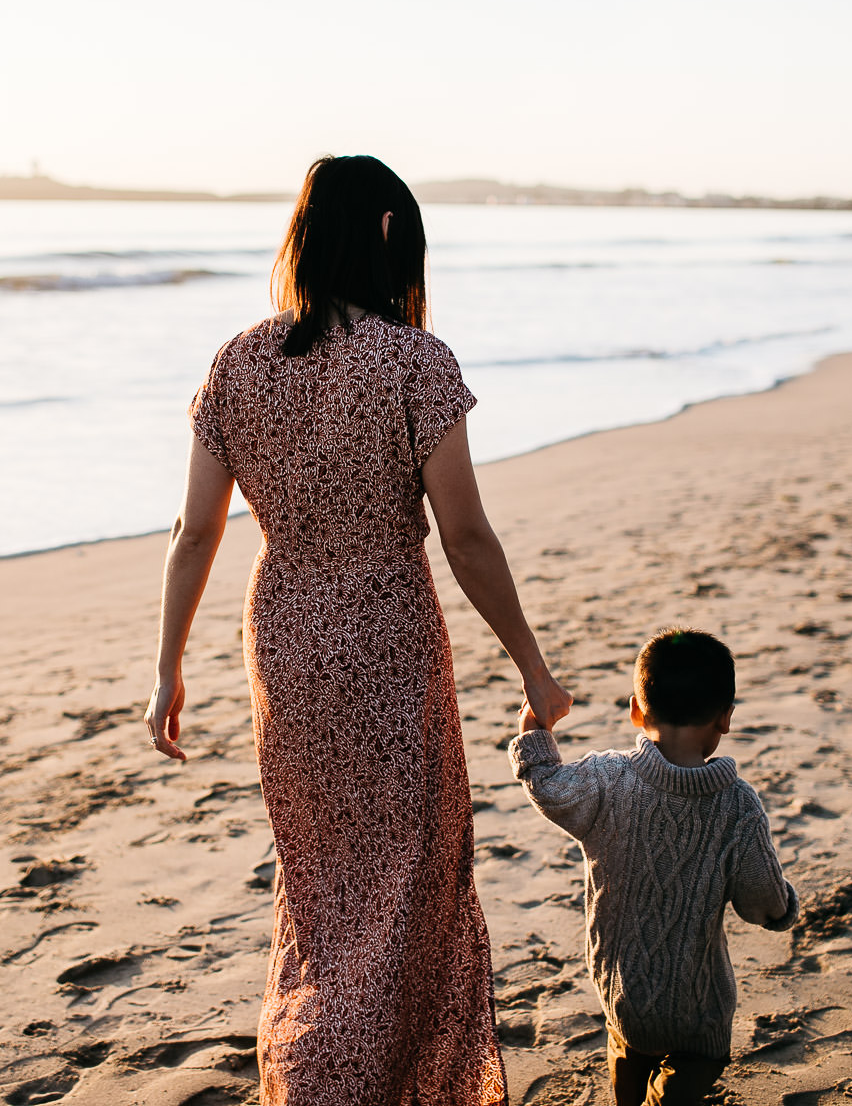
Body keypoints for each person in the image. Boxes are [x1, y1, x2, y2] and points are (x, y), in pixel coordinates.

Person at [144, 154, 572, 1104]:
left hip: (286, 638)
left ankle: (316, 1068)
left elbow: (195, 533)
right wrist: (534, 670)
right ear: (387, 234)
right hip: (386, 633)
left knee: (322, 884)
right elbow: (464, 533)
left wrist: (168, 668)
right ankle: (370, 1082)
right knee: (409, 875)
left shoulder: (238, 362)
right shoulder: (417, 362)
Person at [509, 628, 798, 1106]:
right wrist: (782, 907)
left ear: (636, 711)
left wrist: (534, 727)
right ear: (725, 719)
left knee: (627, 1068)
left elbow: (547, 783)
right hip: (697, 1010)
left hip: (622, 994)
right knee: (685, 1082)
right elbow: (761, 901)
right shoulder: (738, 807)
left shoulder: (604, 779)